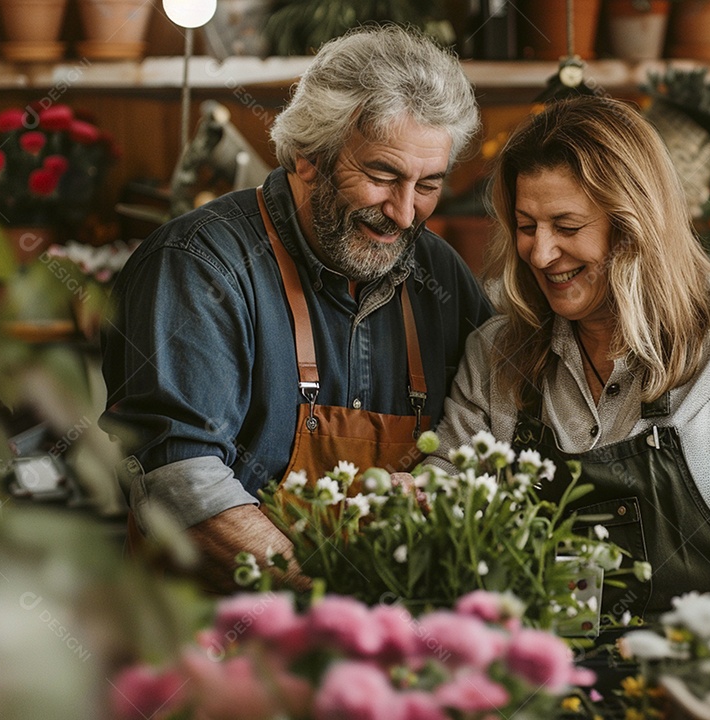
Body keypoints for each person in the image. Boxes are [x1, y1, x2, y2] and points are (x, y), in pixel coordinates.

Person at [100, 27, 492, 590]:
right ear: (309, 157)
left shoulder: (439, 275)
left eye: (427, 185)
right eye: (383, 176)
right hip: (209, 642)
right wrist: (333, 602)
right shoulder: (199, 265)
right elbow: (182, 485)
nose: (405, 214)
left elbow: (490, 436)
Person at [429, 96, 710, 619]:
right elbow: (451, 485)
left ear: (634, 224)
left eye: (567, 227)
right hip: (547, 681)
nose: (541, 253)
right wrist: (416, 495)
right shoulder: (497, 352)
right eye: (527, 226)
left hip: (698, 675)